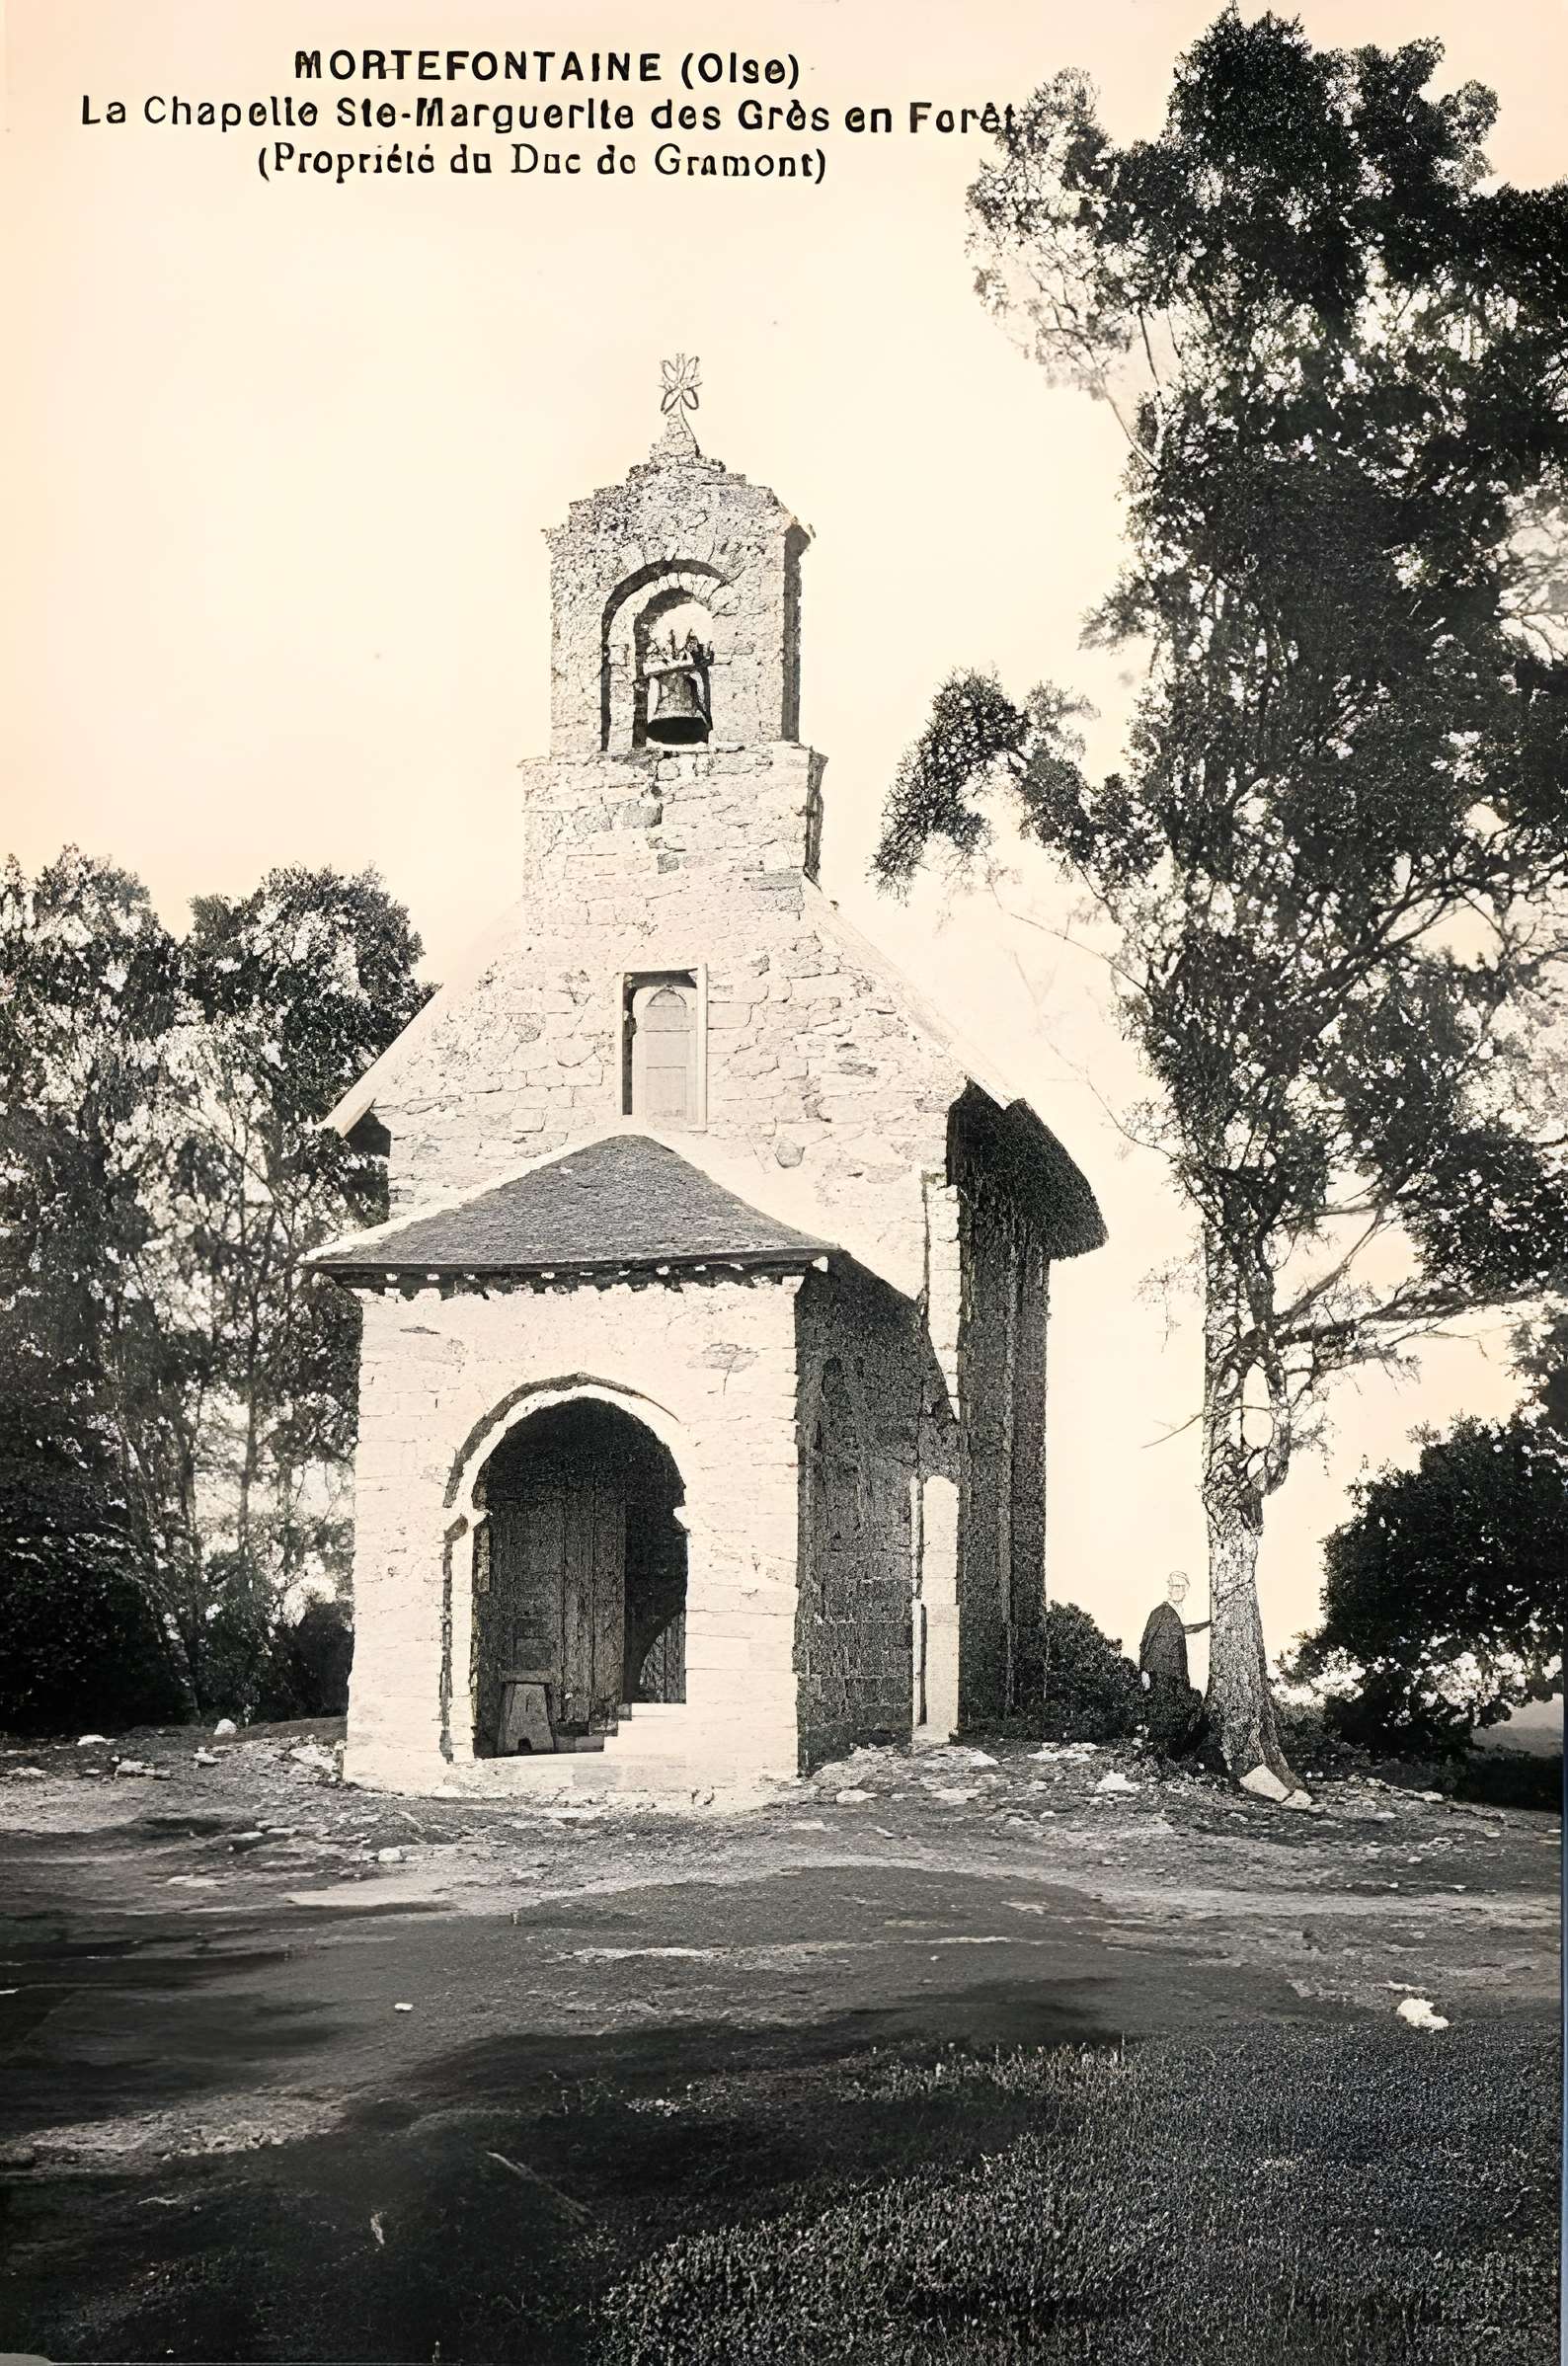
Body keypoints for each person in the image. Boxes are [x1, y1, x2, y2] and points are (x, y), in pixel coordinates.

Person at [1139, 1570, 1210, 1760]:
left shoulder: (1176, 1612)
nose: (1177, 1590)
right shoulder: (1160, 1612)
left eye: (1181, 1586)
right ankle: (1160, 1755)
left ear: (1186, 1590)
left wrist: (1209, 1623)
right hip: (1159, 1670)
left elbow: (1185, 1629)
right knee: (1163, 1711)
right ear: (1169, 1589)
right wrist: (1144, 1670)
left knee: (1180, 1709)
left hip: (1177, 1671)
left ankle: (1170, 1754)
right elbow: (1146, 1640)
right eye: (1174, 1586)